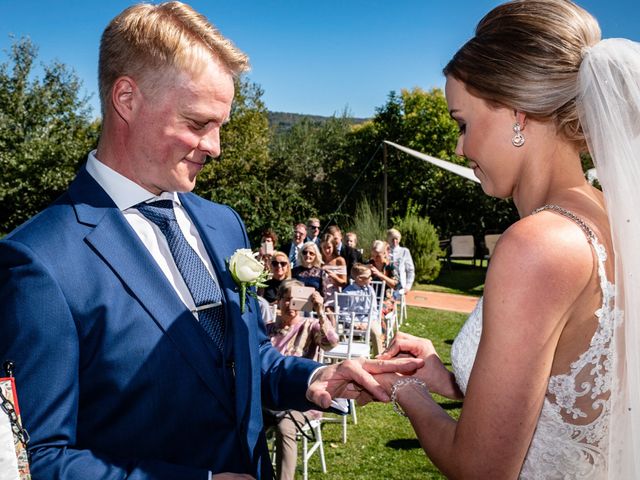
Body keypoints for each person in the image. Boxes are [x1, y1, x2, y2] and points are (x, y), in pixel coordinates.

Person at [0, 3, 423, 479]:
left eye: (220, 125)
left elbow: (239, 359)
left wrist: (312, 377)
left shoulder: (223, 224)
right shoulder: (39, 262)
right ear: (126, 99)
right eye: (199, 123)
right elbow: (35, 459)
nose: (216, 147)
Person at [375, 1, 640, 478]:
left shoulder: (538, 243)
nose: (459, 147)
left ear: (517, 113)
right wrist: (452, 383)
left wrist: (403, 392)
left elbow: (480, 469)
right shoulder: (609, 215)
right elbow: (571, 388)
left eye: (462, 123)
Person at [265, 280, 339, 480]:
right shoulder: (267, 329)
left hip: (302, 400)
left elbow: (331, 343)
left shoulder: (310, 325)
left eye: (295, 300)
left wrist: (320, 310)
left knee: (285, 427)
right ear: (278, 302)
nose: (290, 305)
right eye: (285, 300)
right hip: (269, 399)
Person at [342, 263, 384, 356]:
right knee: (344, 331)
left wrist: (368, 322)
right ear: (359, 278)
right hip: (353, 320)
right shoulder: (347, 292)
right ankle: (352, 357)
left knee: (376, 332)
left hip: (368, 319)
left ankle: (379, 357)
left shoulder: (370, 290)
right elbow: (343, 312)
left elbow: (373, 310)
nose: (371, 278)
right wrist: (354, 324)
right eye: (369, 277)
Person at [319, 233, 348, 310]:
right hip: (321, 293)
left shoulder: (339, 260)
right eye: (324, 248)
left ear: (334, 247)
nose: (326, 250)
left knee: (328, 309)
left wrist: (334, 277)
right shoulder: (319, 261)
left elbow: (344, 282)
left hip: (334, 294)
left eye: (329, 247)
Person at [386, 228, 415, 293]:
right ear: (388, 239)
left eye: (396, 239)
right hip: (386, 284)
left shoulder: (404, 251)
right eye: (392, 239)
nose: (394, 241)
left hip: (400, 285)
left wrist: (408, 286)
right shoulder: (384, 250)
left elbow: (410, 270)